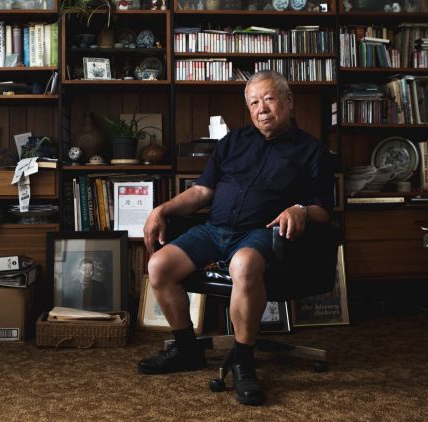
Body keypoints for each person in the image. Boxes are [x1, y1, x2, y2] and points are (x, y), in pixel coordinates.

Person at [137, 70, 334, 406]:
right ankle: (187, 350)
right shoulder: (232, 142)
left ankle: (243, 359)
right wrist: (162, 210)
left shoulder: (311, 150)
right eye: (254, 102)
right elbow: (201, 191)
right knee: (159, 266)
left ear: (289, 101)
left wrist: (300, 209)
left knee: (242, 265)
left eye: (269, 99)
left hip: (262, 233)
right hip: (214, 230)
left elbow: (323, 209)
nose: (262, 109)